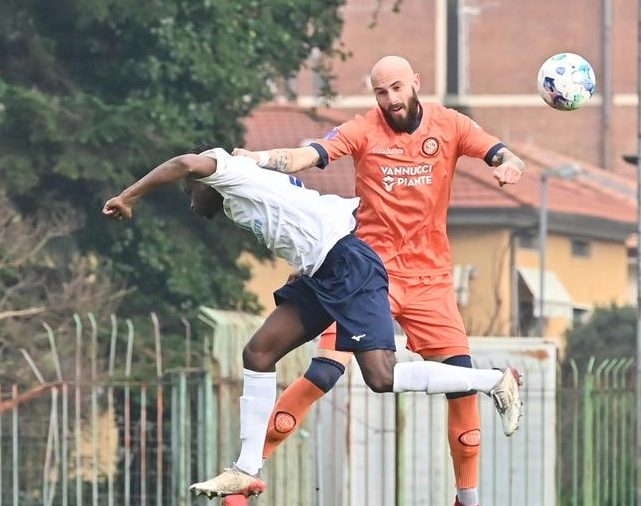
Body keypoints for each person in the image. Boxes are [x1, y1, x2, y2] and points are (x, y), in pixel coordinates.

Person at [101, 147, 524, 501]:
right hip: (320, 273)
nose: (190, 201)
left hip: (348, 266)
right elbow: (298, 219)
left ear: (204, 182)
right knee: (258, 352)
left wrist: (128, 196)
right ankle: (245, 470)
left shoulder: (224, 167)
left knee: (381, 376)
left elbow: (184, 163)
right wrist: (303, 270)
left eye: (189, 193)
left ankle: (492, 380)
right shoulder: (237, 197)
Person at [230, 54, 527, 506]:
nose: (390, 99)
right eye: (381, 92)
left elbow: (500, 151)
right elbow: (309, 154)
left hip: (431, 280)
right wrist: (263, 160)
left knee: (461, 383)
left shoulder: (451, 126)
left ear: (416, 84)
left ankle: (468, 500)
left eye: (397, 88)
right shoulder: (363, 129)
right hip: (366, 274)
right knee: (323, 372)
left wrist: (509, 165)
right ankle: (246, 482)